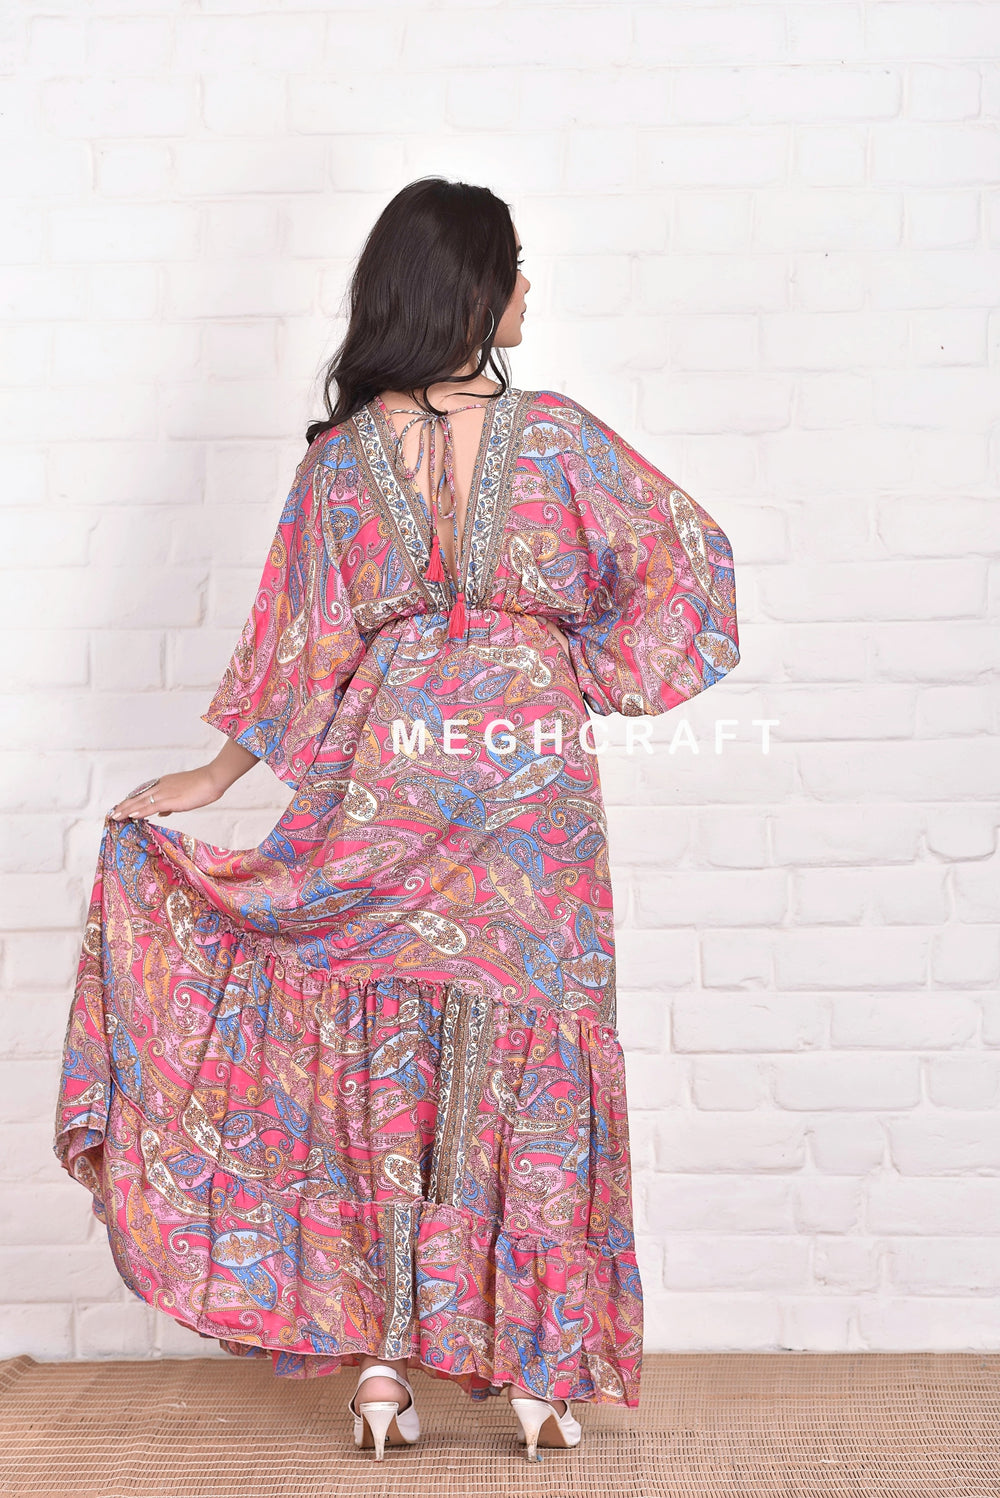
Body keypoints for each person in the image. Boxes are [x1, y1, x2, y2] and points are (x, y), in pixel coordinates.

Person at [53, 176, 740, 1464]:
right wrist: (567, 664)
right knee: (530, 1036)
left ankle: (380, 1369)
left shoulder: (343, 463)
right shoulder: (563, 439)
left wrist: (210, 783)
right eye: (514, 268)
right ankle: (536, 1370)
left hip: (391, 768)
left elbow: (297, 647)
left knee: (383, 1041)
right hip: (530, 782)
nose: (528, 290)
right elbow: (692, 567)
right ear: (470, 290)